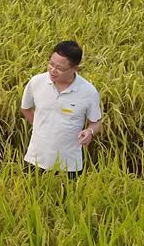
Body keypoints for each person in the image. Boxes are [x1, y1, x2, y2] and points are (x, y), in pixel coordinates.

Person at [21, 40, 102, 179]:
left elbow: (96, 122)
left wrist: (89, 131)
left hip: (69, 164)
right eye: (51, 63)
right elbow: (25, 108)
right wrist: (40, 127)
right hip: (35, 158)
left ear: (75, 69)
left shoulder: (88, 92)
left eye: (60, 68)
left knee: (66, 200)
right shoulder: (36, 82)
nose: (53, 70)